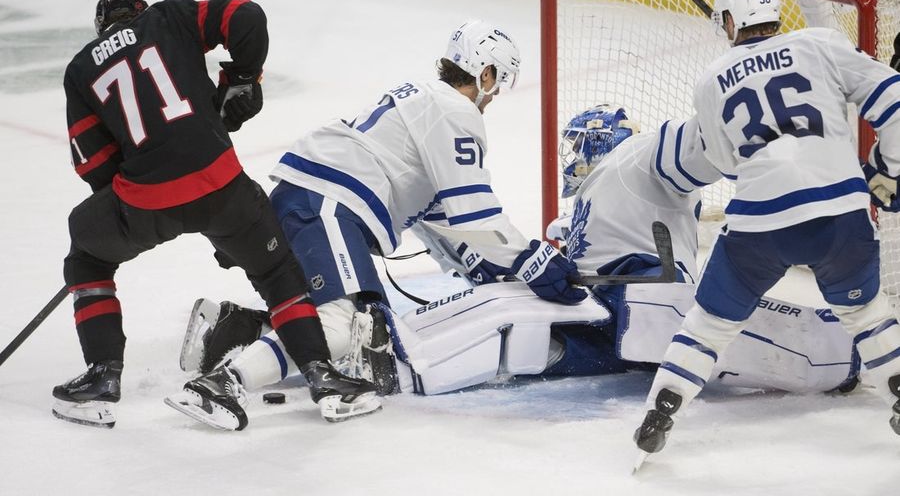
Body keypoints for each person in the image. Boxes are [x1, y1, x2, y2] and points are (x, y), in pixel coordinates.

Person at [182, 105, 857, 398]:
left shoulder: (632, 158)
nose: (573, 157)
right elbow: (496, 255)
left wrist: (775, 149)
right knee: (459, 324)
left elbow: (699, 144)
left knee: (813, 349)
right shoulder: (576, 209)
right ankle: (265, 338)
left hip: (656, 308)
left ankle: (855, 357)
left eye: (581, 146)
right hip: (615, 318)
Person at [166, 19, 589, 428]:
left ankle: (227, 333)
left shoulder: (423, 100)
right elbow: (472, 208)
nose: (494, 96)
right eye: (498, 83)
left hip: (304, 199)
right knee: (348, 328)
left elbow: (437, 214)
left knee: (355, 329)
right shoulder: (456, 110)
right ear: (486, 71)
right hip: (327, 205)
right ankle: (223, 383)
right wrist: (531, 260)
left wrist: (480, 264)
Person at [55, 0, 379, 430]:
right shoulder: (168, 17)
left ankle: (102, 377)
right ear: (139, 13)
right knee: (277, 271)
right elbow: (246, 15)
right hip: (223, 188)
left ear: (101, 29)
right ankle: (322, 376)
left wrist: (130, 202)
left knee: (87, 257)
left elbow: (94, 163)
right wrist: (243, 78)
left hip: (146, 200)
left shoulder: (82, 68)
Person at [633, 0, 900, 465]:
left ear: (731, 19)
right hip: (840, 211)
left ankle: (662, 408)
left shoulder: (710, 79)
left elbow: (725, 163)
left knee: (710, 324)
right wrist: (888, 172)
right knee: (867, 315)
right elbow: (897, 104)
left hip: (759, 224)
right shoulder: (821, 43)